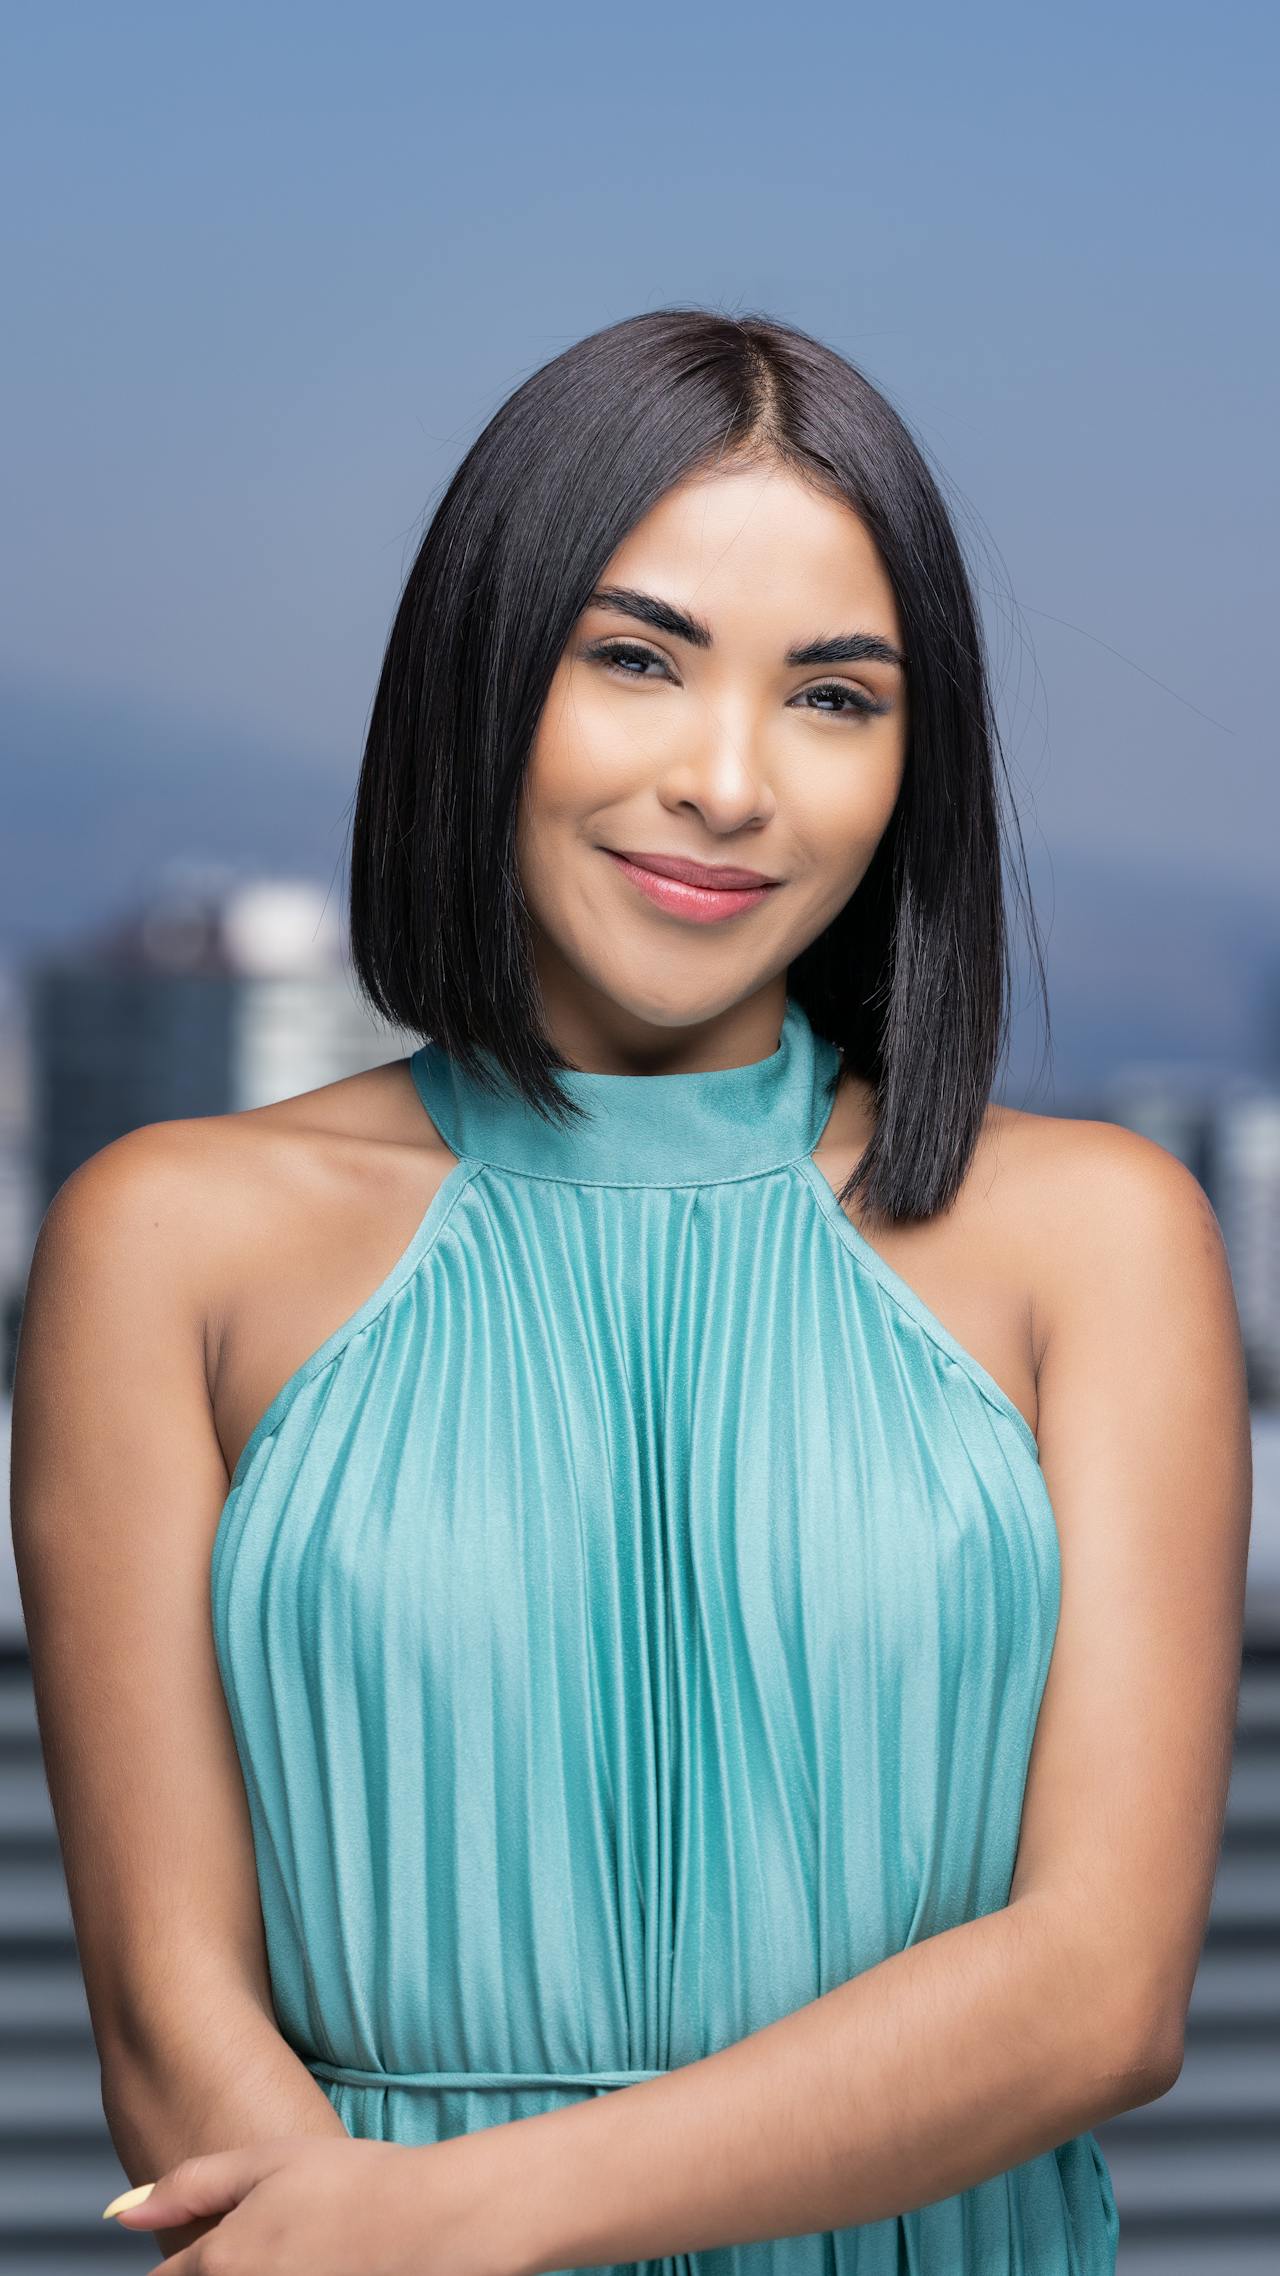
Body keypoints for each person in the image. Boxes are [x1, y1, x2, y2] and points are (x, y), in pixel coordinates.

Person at [11, 307, 1251, 2276]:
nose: (729, 780)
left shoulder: (1097, 1239)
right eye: (636, 661)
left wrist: (433, 2224)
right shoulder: (165, 1241)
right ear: (484, 675)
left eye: (836, 698)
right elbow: (174, 2027)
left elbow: (1097, 1991)